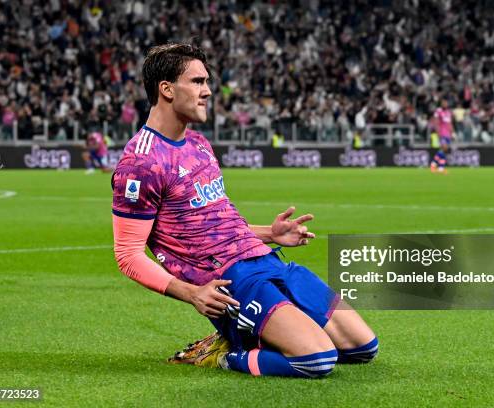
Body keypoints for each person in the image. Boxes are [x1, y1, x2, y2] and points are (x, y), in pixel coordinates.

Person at [111, 43, 378, 378]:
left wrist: (270, 233)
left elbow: (214, 222)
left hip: (268, 259)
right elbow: (128, 254)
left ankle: (267, 335)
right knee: (317, 360)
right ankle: (221, 354)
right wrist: (191, 293)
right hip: (233, 283)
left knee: (363, 348)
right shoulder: (141, 162)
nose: (207, 91)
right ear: (166, 89)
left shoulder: (198, 144)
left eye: (206, 82)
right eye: (197, 82)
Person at [430, 99, 453, 174]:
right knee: (444, 147)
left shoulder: (448, 112)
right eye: (444, 103)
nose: (445, 104)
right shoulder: (438, 111)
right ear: (441, 104)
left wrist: (452, 132)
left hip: (448, 134)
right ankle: (433, 164)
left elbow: (450, 123)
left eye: (446, 103)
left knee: (444, 150)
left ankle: (440, 168)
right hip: (442, 132)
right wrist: (437, 131)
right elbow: (435, 121)